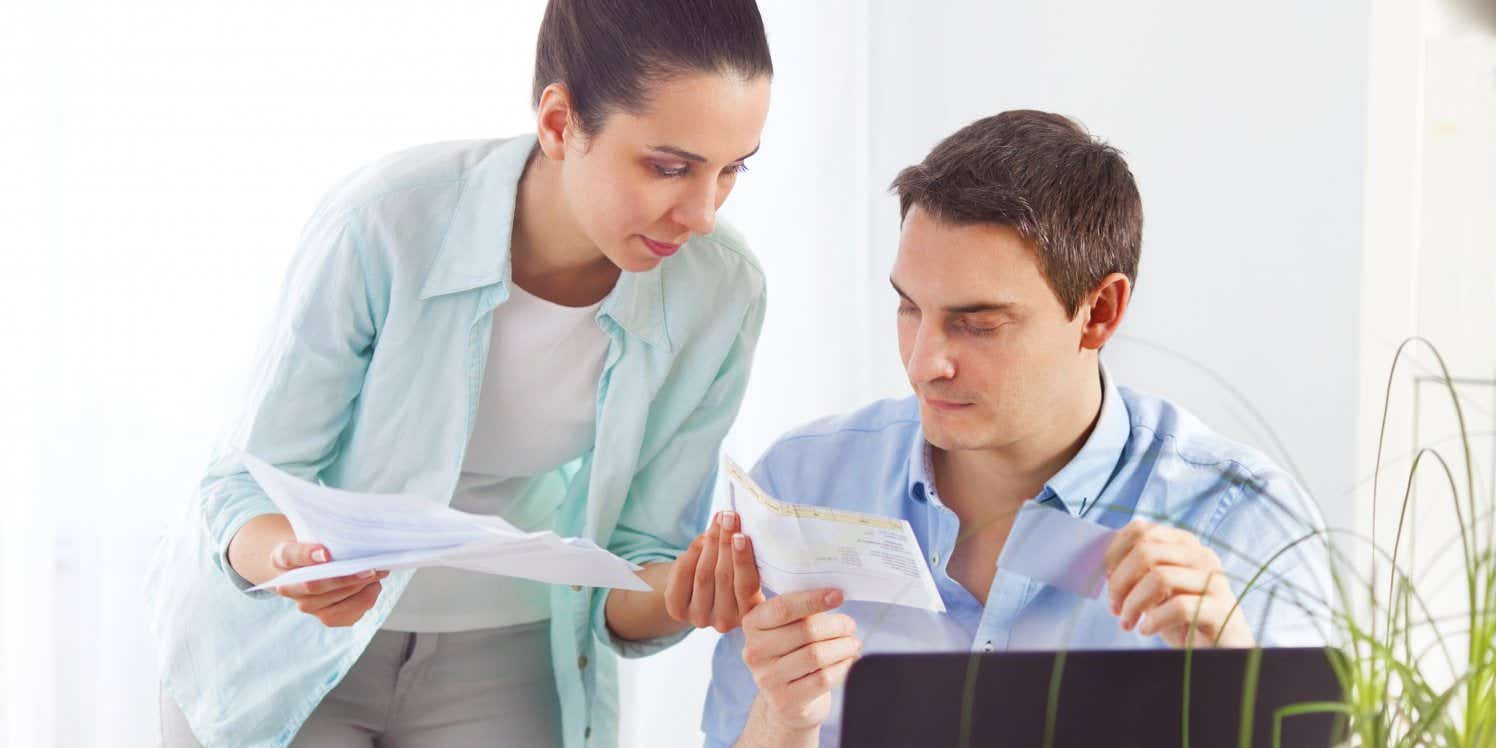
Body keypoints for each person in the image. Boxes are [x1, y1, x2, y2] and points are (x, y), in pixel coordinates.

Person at [146, 1, 774, 745]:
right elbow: (242, 481)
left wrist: (693, 591)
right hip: (285, 641)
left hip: (506, 648)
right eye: (670, 167)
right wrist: (294, 563)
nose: (702, 214)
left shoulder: (719, 290)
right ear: (558, 122)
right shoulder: (385, 223)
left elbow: (636, 561)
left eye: (732, 170)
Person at [689, 110, 1332, 747]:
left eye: (978, 324)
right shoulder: (802, 486)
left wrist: (1234, 679)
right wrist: (784, 721)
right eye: (910, 307)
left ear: (1099, 313)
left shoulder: (1241, 523)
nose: (923, 365)